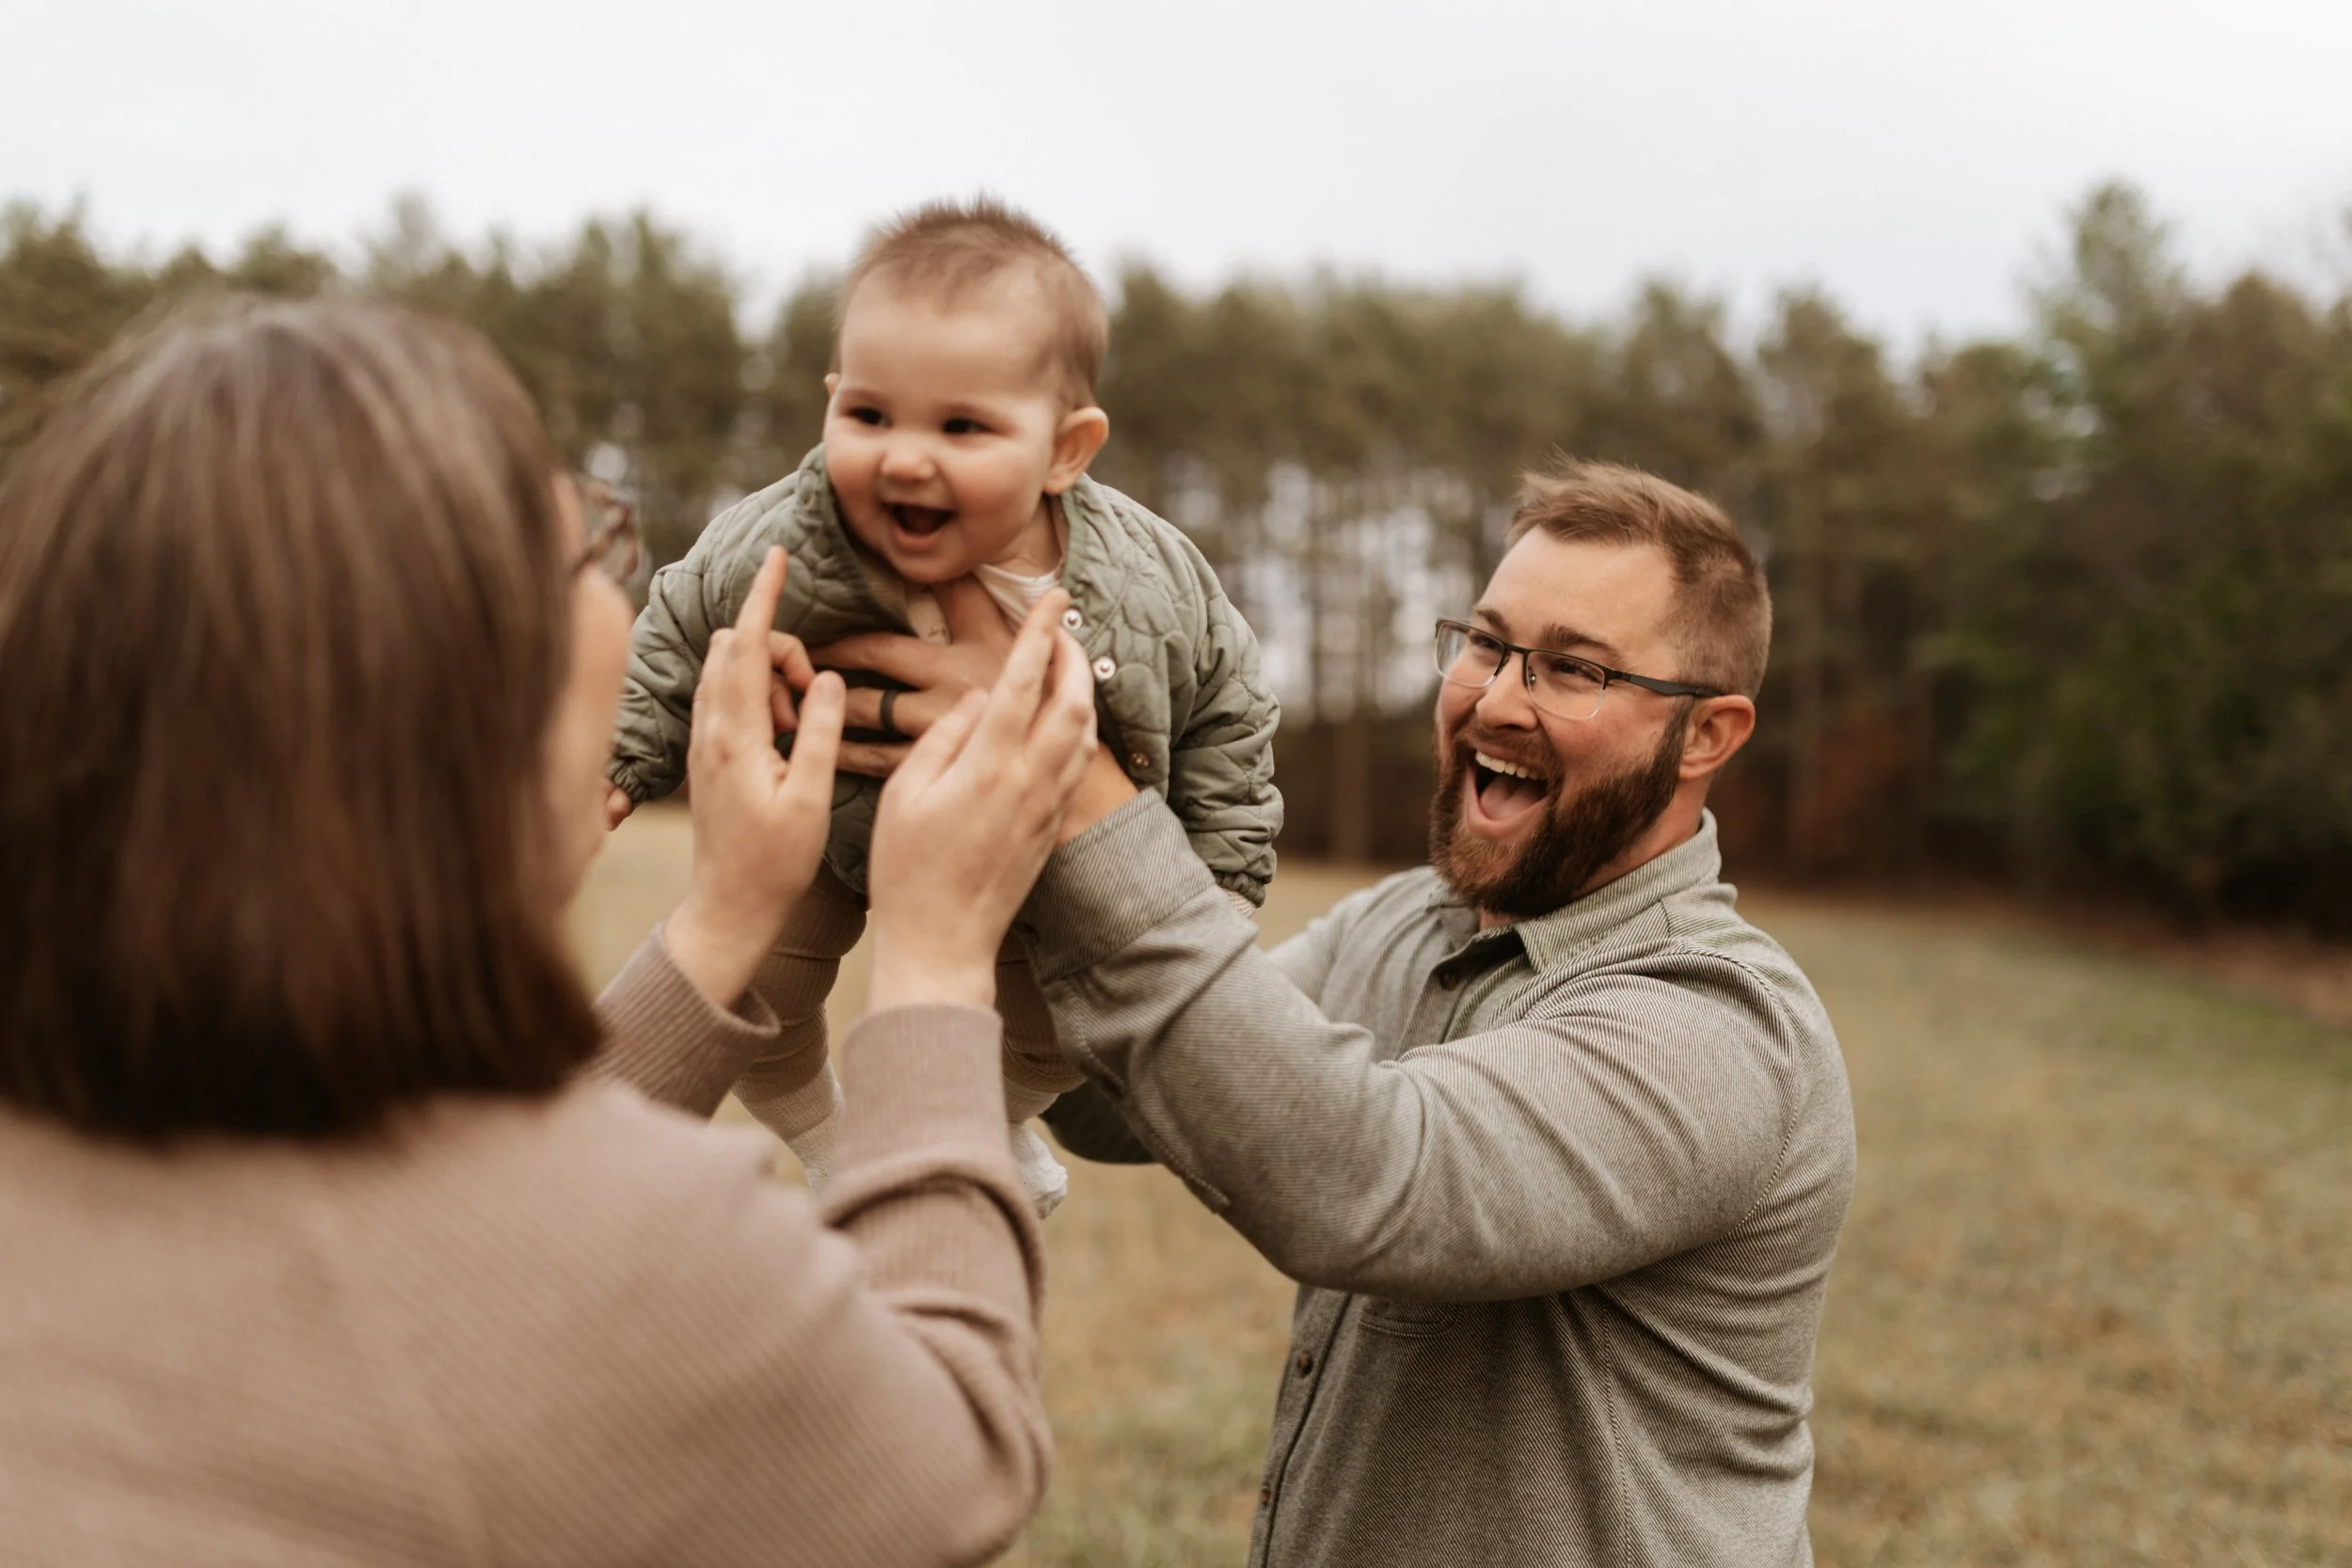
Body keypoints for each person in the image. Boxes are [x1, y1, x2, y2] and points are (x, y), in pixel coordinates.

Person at [0, 297, 1101, 1568]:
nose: (621, 575)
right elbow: (946, 1462)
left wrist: (726, 917)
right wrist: (936, 955)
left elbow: (450, 1217)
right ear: (456, 719)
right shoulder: (641, 1254)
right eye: (588, 540)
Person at [842, 459, 1858, 1566]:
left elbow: (1367, 1178)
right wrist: (1000, 836)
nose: (1497, 697)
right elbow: (1112, 1104)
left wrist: (1082, 782)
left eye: (1572, 668)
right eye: (1485, 642)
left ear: (1706, 735)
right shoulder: (1413, 921)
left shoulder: (1720, 1025)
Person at [603, 198, 1281, 1214]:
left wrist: (1224, 874)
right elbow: (681, 615)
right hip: (824, 819)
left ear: (1066, 448)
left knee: (1055, 1025)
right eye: (869, 415)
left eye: (962, 426)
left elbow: (1229, 706)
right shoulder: (784, 532)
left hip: (1024, 839)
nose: (906, 456)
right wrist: (625, 754)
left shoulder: (1153, 580)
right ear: (830, 403)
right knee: (752, 989)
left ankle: (996, 1117)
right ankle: (831, 1143)